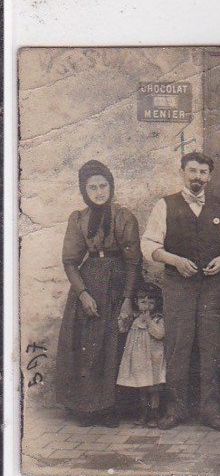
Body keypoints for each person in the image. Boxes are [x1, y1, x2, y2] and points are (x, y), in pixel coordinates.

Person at [141, 151, 220, 431]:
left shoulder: (219, 206)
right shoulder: (165, 205)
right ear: (182, 172)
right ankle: (175, 409)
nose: (197, 177)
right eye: (192, 171)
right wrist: (176, 261)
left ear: (209, 176)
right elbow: (149, 246)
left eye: (203, 172)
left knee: (211, 347)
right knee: (178, 345)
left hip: (211, 287)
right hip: (178, 285)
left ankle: (211, 410)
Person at [54, 160, 141, 427]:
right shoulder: (78, 219)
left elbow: (133, 262)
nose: (99, 192)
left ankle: (110, 408)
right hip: (90, 281)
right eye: (92, 187)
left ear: (111, 187)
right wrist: (83, 294)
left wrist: (127, 300)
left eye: (104, 186)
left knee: (113, 345)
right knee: (87, 346)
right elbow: (70, 261)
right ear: (84, 190)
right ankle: (85, 407)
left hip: (117, 283)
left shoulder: (124, 217)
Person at [117, 282, 166, 428]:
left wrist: (149, 321)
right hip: (139, 360)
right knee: (142, 388)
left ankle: (154, 414)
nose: (146, 306)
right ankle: (143, 414)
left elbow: (159, 334)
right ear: (136, 302)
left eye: (151, 302)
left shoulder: (158, 319)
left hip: (154, 359)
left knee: (154, 388)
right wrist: (123, 319)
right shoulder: (135, 319)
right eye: (143, 302)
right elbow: (123, 330)